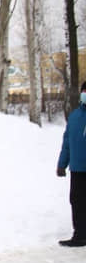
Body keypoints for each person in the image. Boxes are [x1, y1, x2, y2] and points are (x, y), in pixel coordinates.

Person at [56, 81, 86, 247]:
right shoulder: (74, 117)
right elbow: (67, 142)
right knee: (77, 201)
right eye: (84, 91)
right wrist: (62, 164)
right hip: (77, 169)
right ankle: (80, 235)